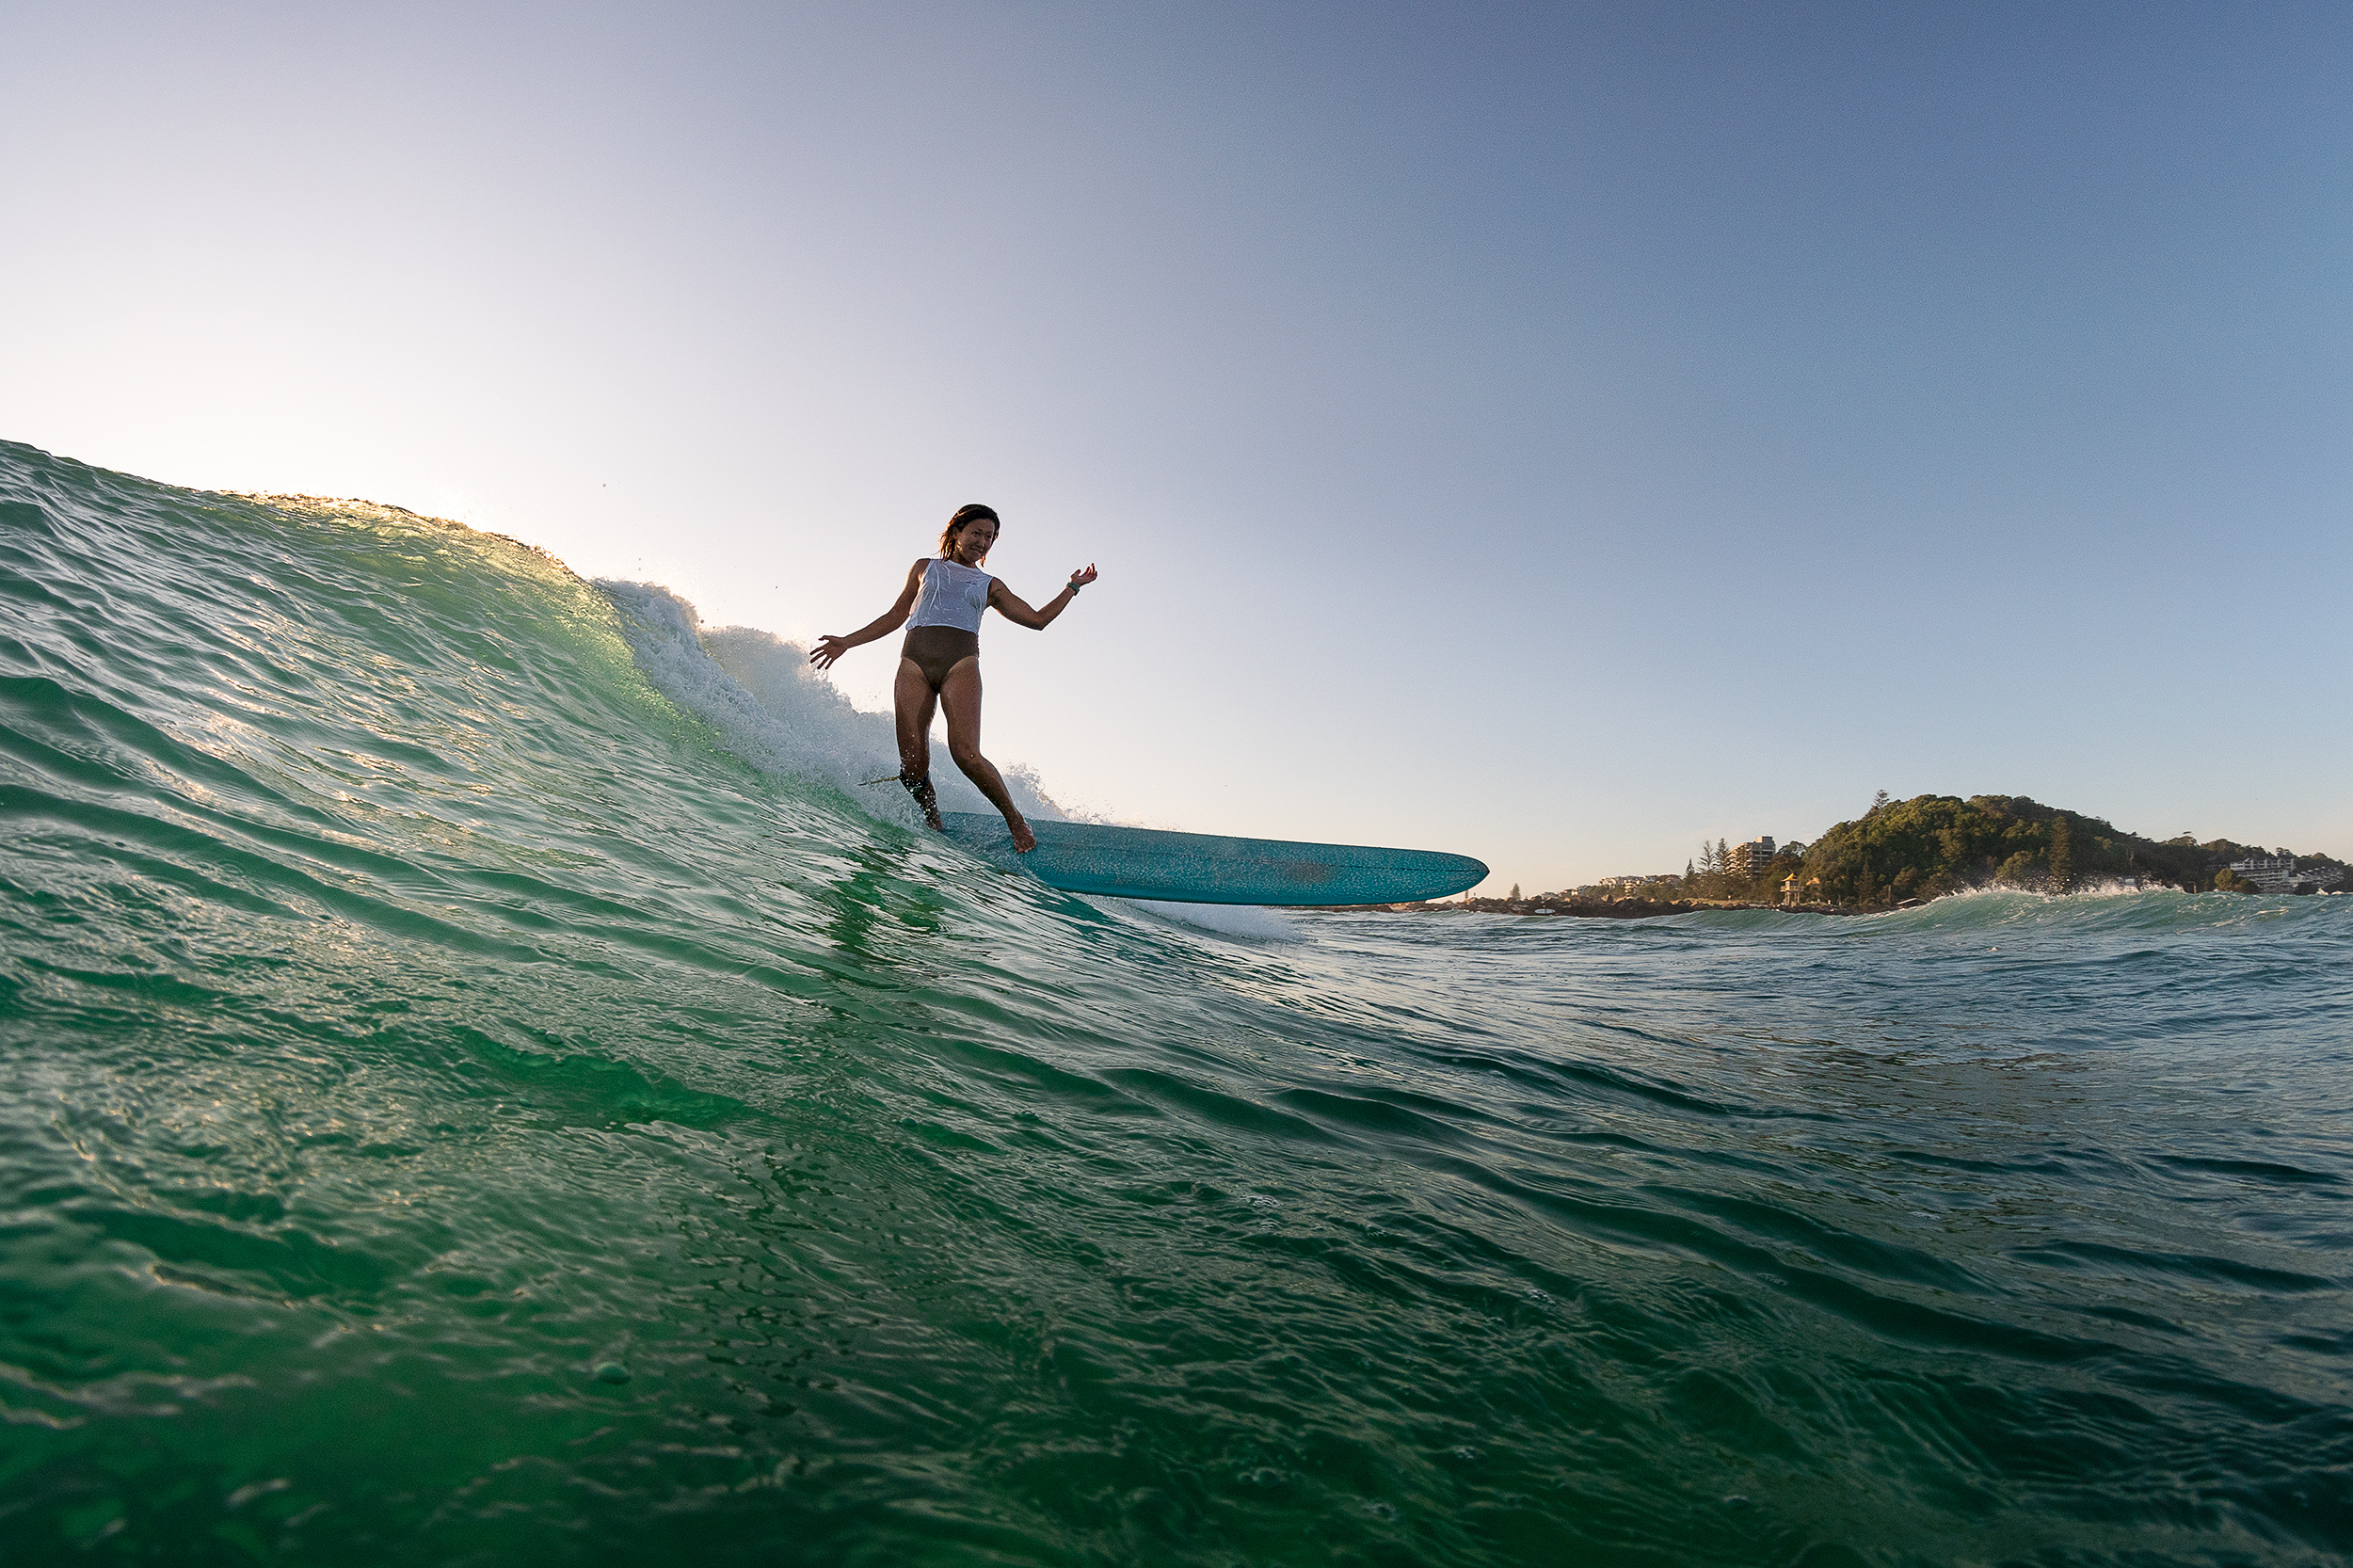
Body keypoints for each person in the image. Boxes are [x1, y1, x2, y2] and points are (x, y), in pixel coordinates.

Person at [808, 504, 1096, 853]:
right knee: (913, 765)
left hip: (960, 665)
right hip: (913, 664)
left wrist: (1072, 587)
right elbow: (897, 614)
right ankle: (931, 814)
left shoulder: (989, 584)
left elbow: (1037, 620)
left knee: (966, 754)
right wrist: (848, 642)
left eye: (990, 537)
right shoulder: (924, 568)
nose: (982, 542)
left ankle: (1015, 820)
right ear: (956, 532)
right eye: (976, 533)